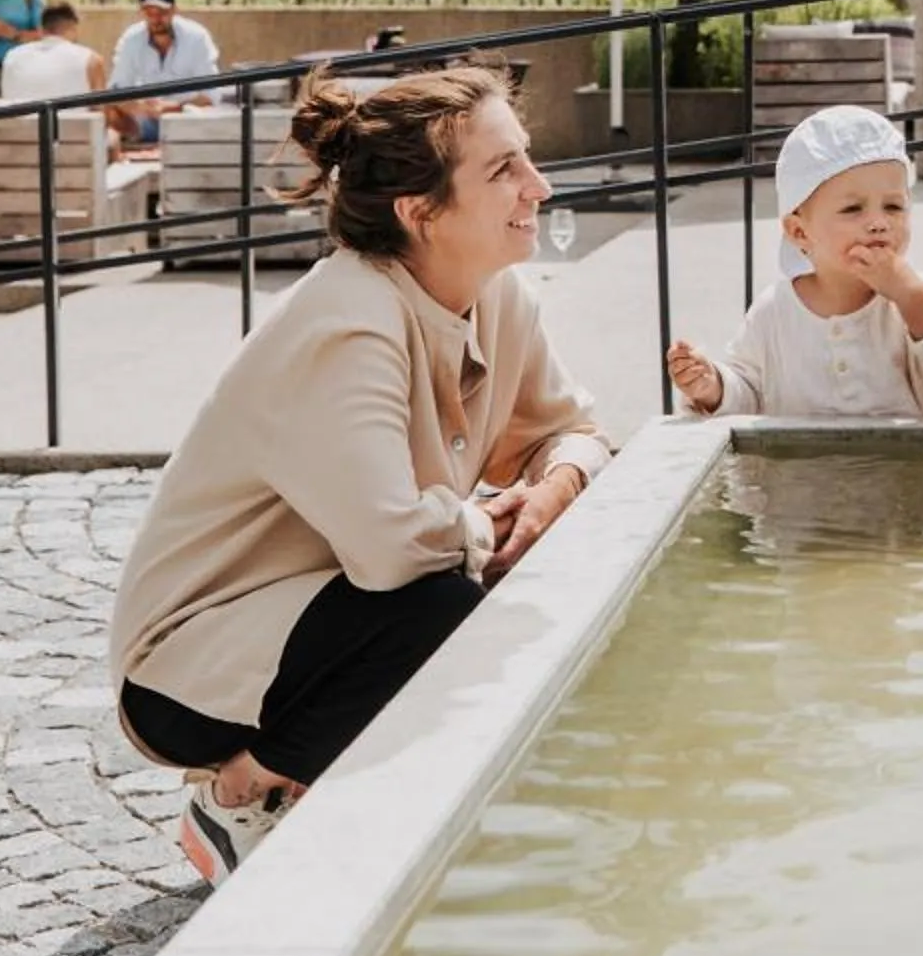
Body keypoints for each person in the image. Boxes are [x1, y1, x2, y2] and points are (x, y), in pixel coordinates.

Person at [108, 62, 611, 883]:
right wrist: (493, 521)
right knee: (449, 601)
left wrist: (553, 492)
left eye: (527, 156)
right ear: (421, 213)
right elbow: (392, 550)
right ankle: (241, 792)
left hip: (327, 615)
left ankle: (359, 794)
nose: (540, 186)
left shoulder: (497, 296)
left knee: (516, 568)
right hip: (189, 666)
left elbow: (577, 432)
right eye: (503, 170)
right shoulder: (349, 322)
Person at [665, 105, 923, 418]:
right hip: (806, 475)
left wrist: (910, 295)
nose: (878, 222)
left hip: (907, 473)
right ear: (799, 231)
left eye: (893, 206)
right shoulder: (774, 313)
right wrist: (713, 387)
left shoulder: (920, 299)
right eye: (852, 209)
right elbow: (749, 393)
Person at [108, 0, 222, 143]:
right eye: (149, 13)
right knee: (104, 113)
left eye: (162, 13)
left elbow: (211, 96)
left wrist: (173, 108)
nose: (156, 20)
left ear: (174, 10)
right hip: (145, 120)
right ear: (141, 13)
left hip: (186, 117)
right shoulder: (131, 39)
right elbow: (116, 91)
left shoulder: (197, 37)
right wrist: (141, 108)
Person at [0, 2, 113, 112]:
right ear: (73, 28)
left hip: (21, 132)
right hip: (73, 132)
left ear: (41, 29)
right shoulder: (90, 60)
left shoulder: (12, 57)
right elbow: (101, 113)